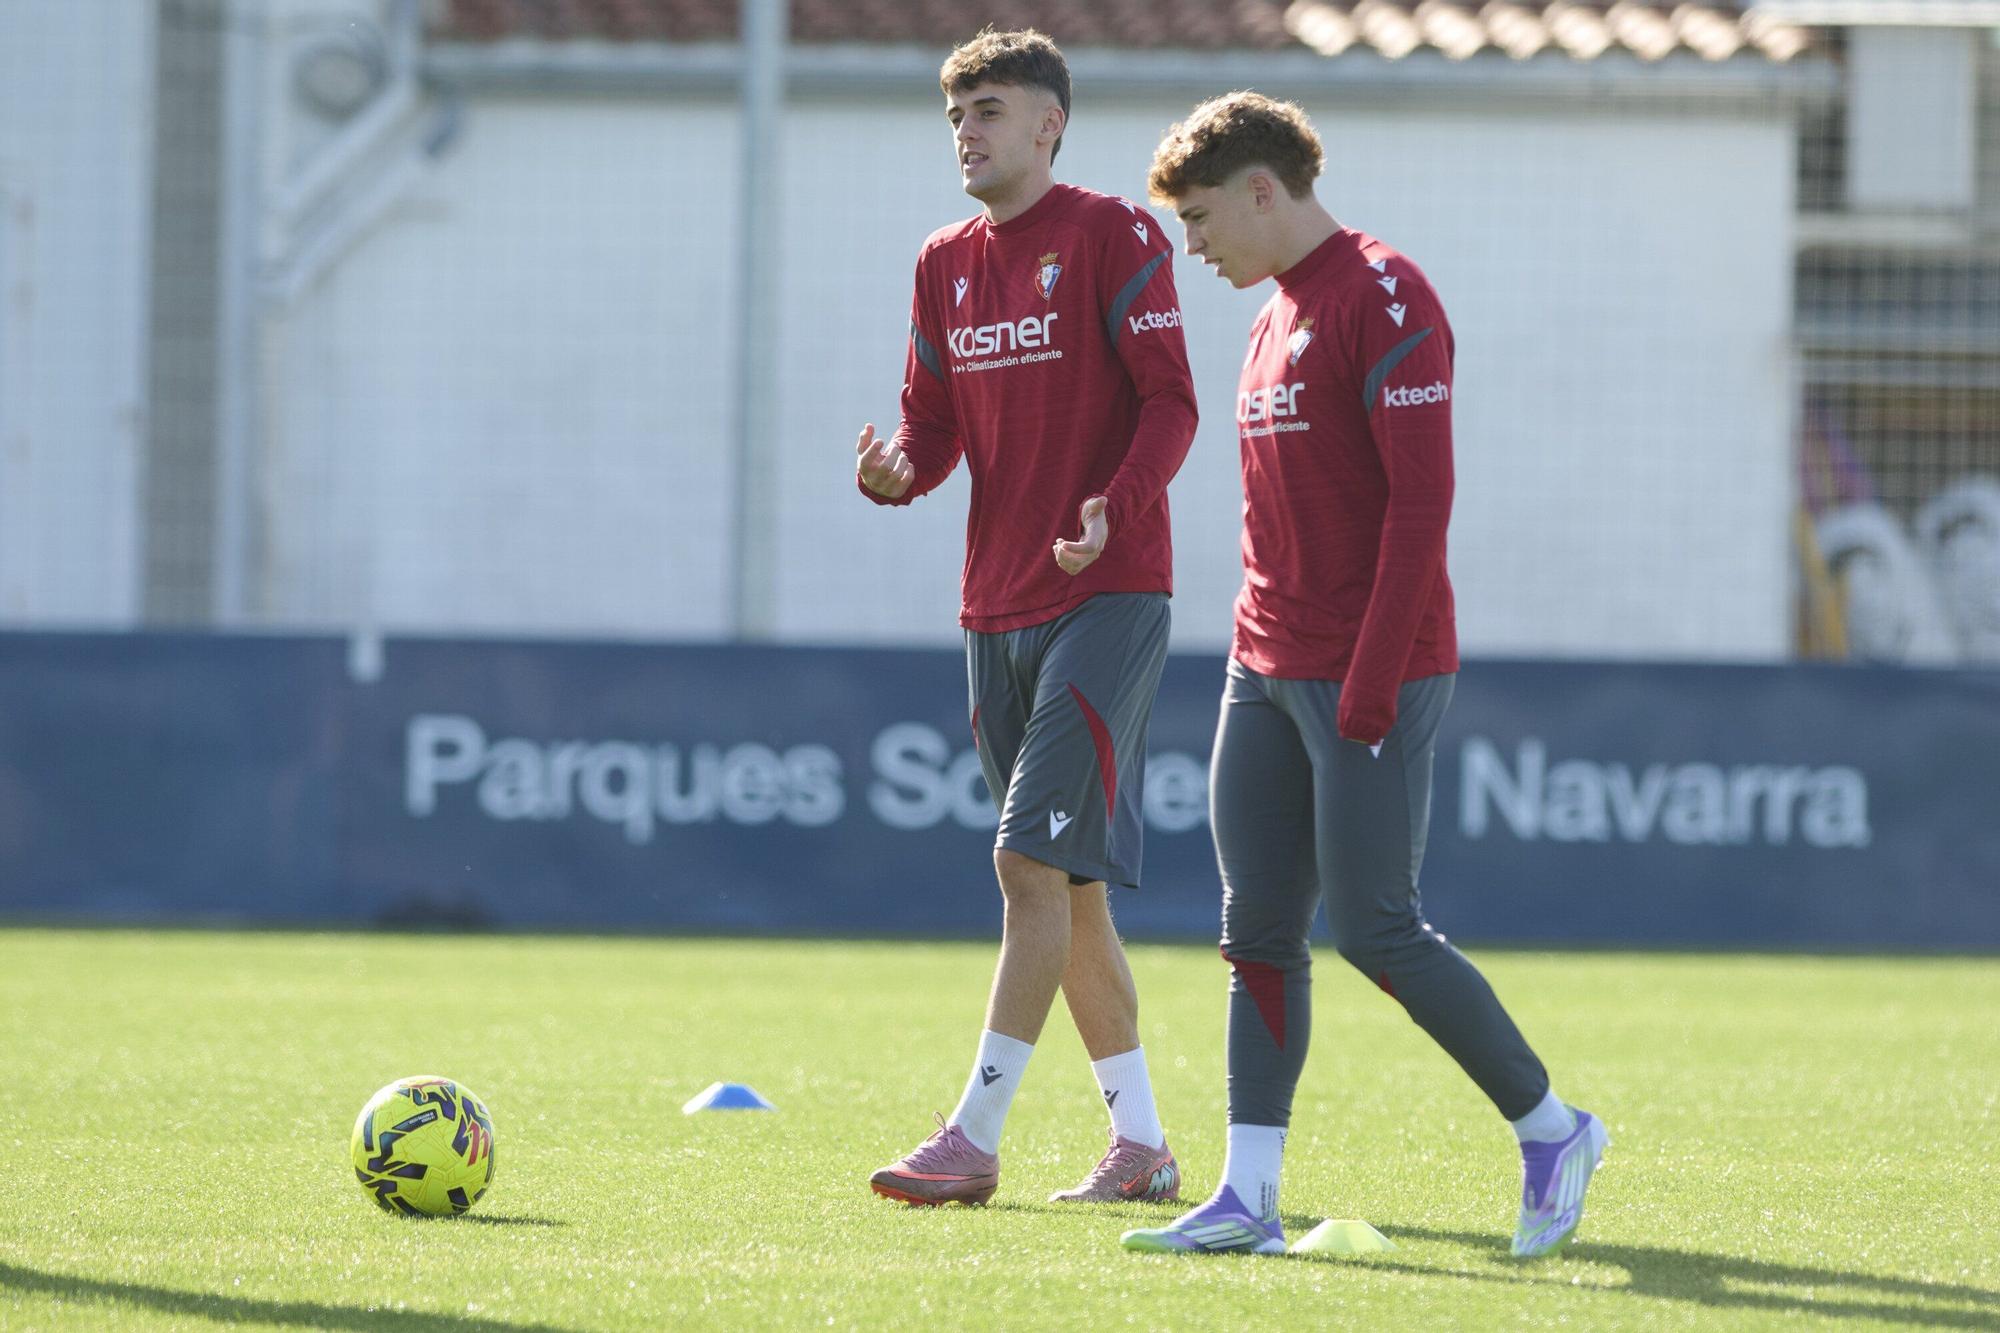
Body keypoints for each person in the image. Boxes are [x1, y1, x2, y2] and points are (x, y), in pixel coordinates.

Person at [1121, 92, 1606, 1257]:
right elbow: (1269, 515)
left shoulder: (1386, 293)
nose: (1193, 247)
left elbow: (1417, 508)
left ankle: (1552, 1128)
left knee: (1377, 929)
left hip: (1368, 673)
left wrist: (1373, 682)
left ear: (1260, 191)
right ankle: (1246, 1193)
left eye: (1197, 220)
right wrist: (1250, 650)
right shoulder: (1267, 315)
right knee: (1255, 930)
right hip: (1264, 664)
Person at [856, 28, 1198, 1207]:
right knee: (1071, 891)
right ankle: (1142, 1147)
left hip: (1106, 591)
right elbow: (931, 424)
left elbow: (1171, 401)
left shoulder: (1115, 235)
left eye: (988, 112)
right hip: (992, 605)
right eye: (955, 116)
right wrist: (899, 468)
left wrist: (1116, 505)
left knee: (1023, 859)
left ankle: (972, 1136)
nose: (967, 133)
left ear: (1048, 125)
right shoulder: (940, 262)